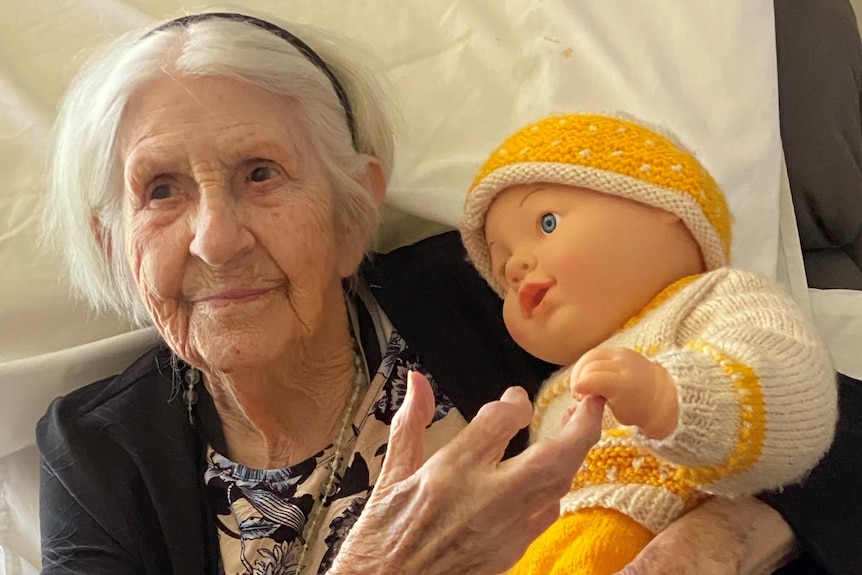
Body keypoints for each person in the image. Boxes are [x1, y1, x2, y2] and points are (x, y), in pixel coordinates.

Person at [34, 6, 861, 575]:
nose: (215, 237)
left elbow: (831, 421)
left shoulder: (496, 297)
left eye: (260, 173)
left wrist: (701, 544)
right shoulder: (98, 452)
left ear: (353, 212)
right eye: (161, 191)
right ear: (115, 246)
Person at [459, 113, 838, 575]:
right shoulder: (555, 394)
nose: (517, 267)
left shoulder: (716, 298)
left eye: (548, 222)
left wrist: (670, 398)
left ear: (665, 204)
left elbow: (795, 390)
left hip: (654, 532)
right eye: (503, 271)